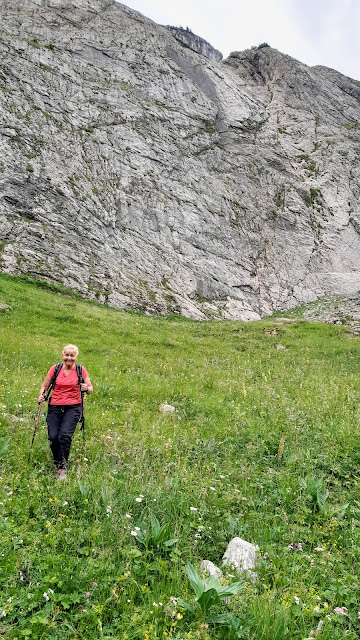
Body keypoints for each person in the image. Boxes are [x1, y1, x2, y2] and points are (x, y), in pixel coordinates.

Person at [38, 344, 93, 479]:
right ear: (62, 355)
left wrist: (86, 388)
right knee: (53, 437)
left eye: (72, 355)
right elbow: (45, 385)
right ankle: (58, 461)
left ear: (76, 357)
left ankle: (62, 468)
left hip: (73, 407)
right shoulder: (55, 369)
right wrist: (41, 395)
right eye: (66, 355)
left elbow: (90, 388)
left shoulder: (81, 370)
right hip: (55, 406)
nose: (69, 358)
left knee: (64, 436)